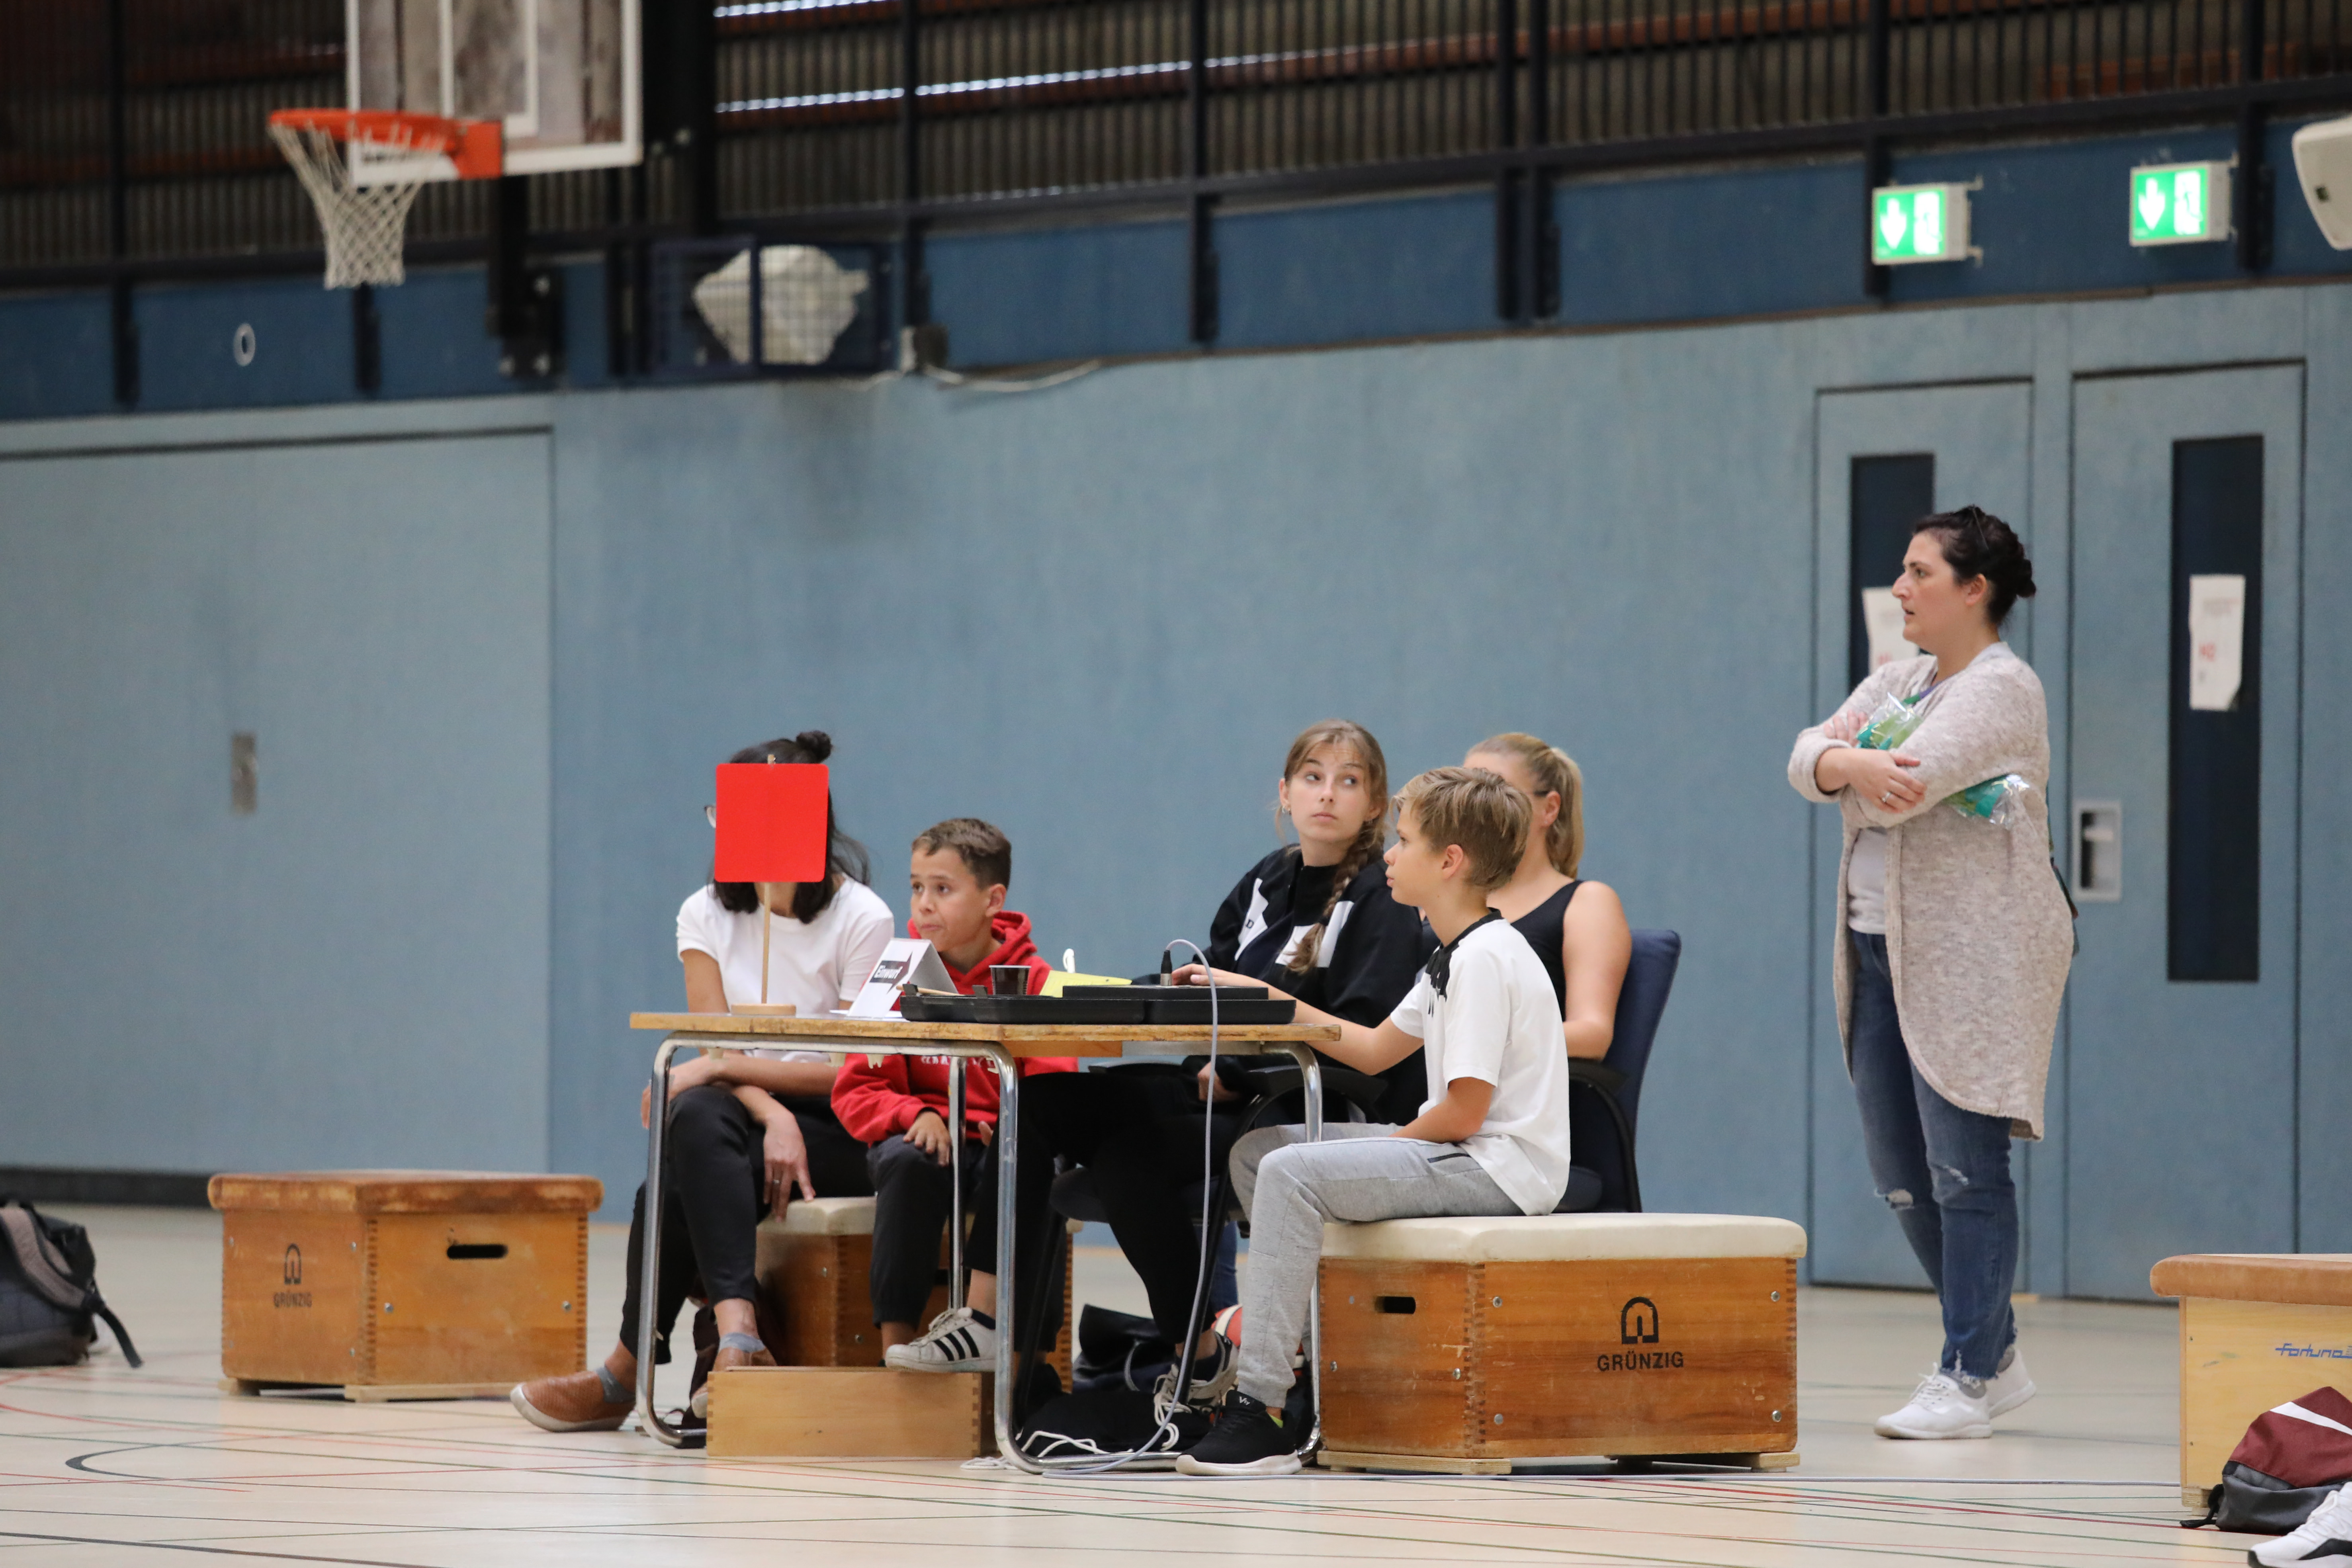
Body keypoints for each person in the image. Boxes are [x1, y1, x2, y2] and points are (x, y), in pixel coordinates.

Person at [886, 721, 1431, 1392]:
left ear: (1373, 805)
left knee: (1128, 1157)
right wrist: (1163, 1007)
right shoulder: (1267, 879)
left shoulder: (1380, 898)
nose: (1326, 794)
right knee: (1036, 1101)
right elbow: (1209, 980)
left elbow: (1361, 1034)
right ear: (1285, 792)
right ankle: (985, 1319)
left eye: (1348, 782)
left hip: (1296, 1103)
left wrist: (1234, 1071)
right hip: (1213, 1081)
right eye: (1312, 778)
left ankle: (1197, 1356)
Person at [1176, 767, 1569, 1476]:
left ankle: (1260, 1406)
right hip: (1463, 1150)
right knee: (1259, 1153)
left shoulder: (1485, 959)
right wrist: (1261, 995)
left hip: (1497, 1168)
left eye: (1405, 841)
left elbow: (1464, 1111)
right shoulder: (1455, 950)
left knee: (1291, 1172)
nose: (1388, 853)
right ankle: (1307, 1366)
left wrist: (1381, 1148)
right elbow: (1372, 1046)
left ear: (1449, 862)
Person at [510, 731, 893, 1433]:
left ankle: (625, 1371)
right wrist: (768, 1111)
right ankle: (738, 1333)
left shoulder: (863, 916)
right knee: (696, 1117)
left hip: (840, 1121)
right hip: (747, 1119)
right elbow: (717, 1040)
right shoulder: (704, 912)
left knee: (673, 1169)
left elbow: (850, 1070)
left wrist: (721, 1070)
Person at [1786, 506, 2072, 1441]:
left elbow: (1903, 787)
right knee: (1900, 1174)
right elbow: (1803, 755)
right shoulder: (1900, 678)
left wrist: (1849, 771)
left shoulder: (2002, 688)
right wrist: (1844, 763)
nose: (1899, 587)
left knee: (1964, 1167)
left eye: (1918, 572)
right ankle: (1994, 1349)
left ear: (1972, 589)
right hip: (1874, 949)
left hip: (1971, 959)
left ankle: (1964, 1376)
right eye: (1901, 569)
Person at [832, 819, 1073, 1359]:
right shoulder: (896, 974)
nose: (924, 904)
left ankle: (1028, 1363)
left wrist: (1016, 1128)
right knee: (907, 1162)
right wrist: (912, 1112)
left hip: (996, 1142)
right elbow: (857, 1088)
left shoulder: (1034, 980)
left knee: (1036, 1169)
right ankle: (896, 1349)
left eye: (942, 888)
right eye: (917, 886)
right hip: (925, 1135)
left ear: (993, 899)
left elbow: (1055, 1088)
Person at [1462, 733, 1633, 1207]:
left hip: (1510, 1130)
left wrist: (1479, 1039)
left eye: (1494, 788)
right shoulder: (1443, 903)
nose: (1475, 805)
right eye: (1465, 788)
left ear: (1548, 808)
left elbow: (1592, 1033)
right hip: (1429, 1107)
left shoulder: (1586, 902)